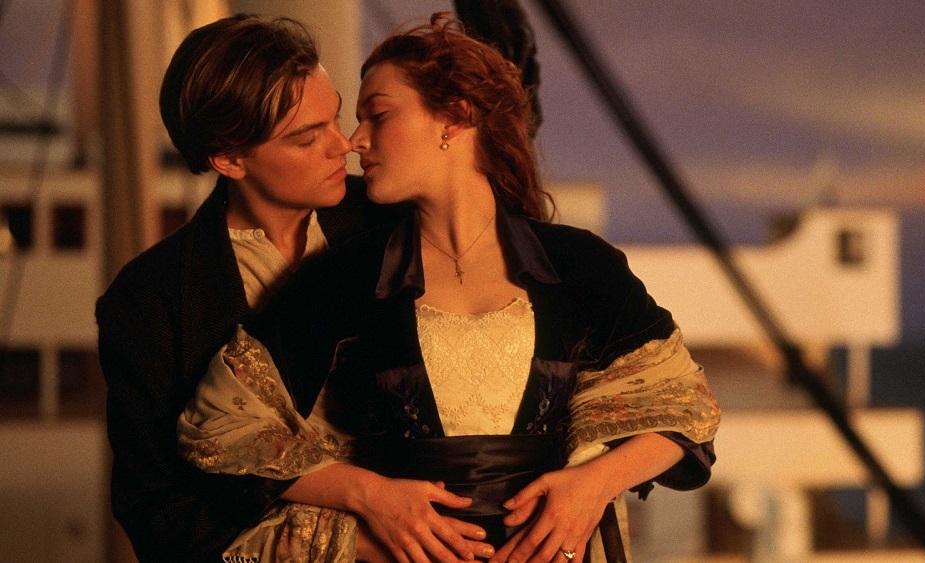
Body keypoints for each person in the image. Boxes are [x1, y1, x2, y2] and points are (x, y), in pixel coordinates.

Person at [178, 13, 720, 563]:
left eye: (377, 115)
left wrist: (593, 485)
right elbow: (220, 426)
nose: (354, 140)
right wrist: (369, 495)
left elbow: (687, 410)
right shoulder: (342, 277)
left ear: (455, 118)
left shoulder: (580, 264)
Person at [95, 14, 404, 562]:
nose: (343, 146)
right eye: (307, 137)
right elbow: (161, 517)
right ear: (229, 159)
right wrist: (354, 541)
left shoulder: (394, 220)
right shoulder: (146, 300)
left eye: (335, 118)